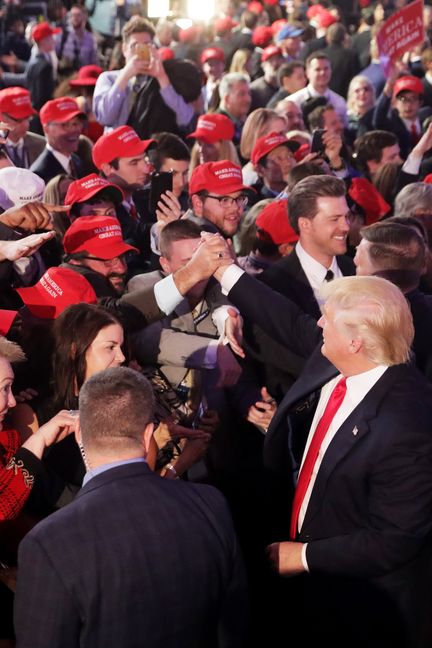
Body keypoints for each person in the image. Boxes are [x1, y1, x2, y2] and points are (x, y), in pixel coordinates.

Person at [211, 258, 432, 648]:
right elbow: (285, 318)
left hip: (357, 601)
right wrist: (225, 279)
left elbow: (395, 538)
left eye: (326, 319)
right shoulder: (342, 358)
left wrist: (305, 557)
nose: (317, 325)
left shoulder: (407, 426)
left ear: (355, 341)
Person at [14, 366, 248, 648]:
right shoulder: (210, 504)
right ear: (148, 434)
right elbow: (233, 627)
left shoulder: (48, 543)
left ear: (79, 436)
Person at [92, 16, 194, 134]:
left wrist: (161, 78)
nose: (139, 52)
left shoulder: (161, 80)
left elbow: (185, 118)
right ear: (124, 49)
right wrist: (125, 77)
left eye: (146, 45)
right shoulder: (108, 79)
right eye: (134, 46)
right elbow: (105, 117)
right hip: (118, 148)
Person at [30, 98, 86, 183]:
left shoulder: (77, 161)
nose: (74, 130)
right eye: (65, 125)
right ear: (46, 129)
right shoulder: (38, 175)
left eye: (76, 123)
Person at [288, 52, 348, 127]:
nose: (322, 73)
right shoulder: (294, 102)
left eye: (326, 69)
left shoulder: (339, 101)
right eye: (317, 69)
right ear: (307, 73)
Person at [0, 87, 45, 168]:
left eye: (28, 118)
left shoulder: (42, 145)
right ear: (2, 117)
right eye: (19, 120)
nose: (26, 124)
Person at [217, 72, 252, 146]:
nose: (248, 99)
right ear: (227, 99)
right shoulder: (218, 125)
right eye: (241, 94)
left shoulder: (243, 121)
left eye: (249, 93)